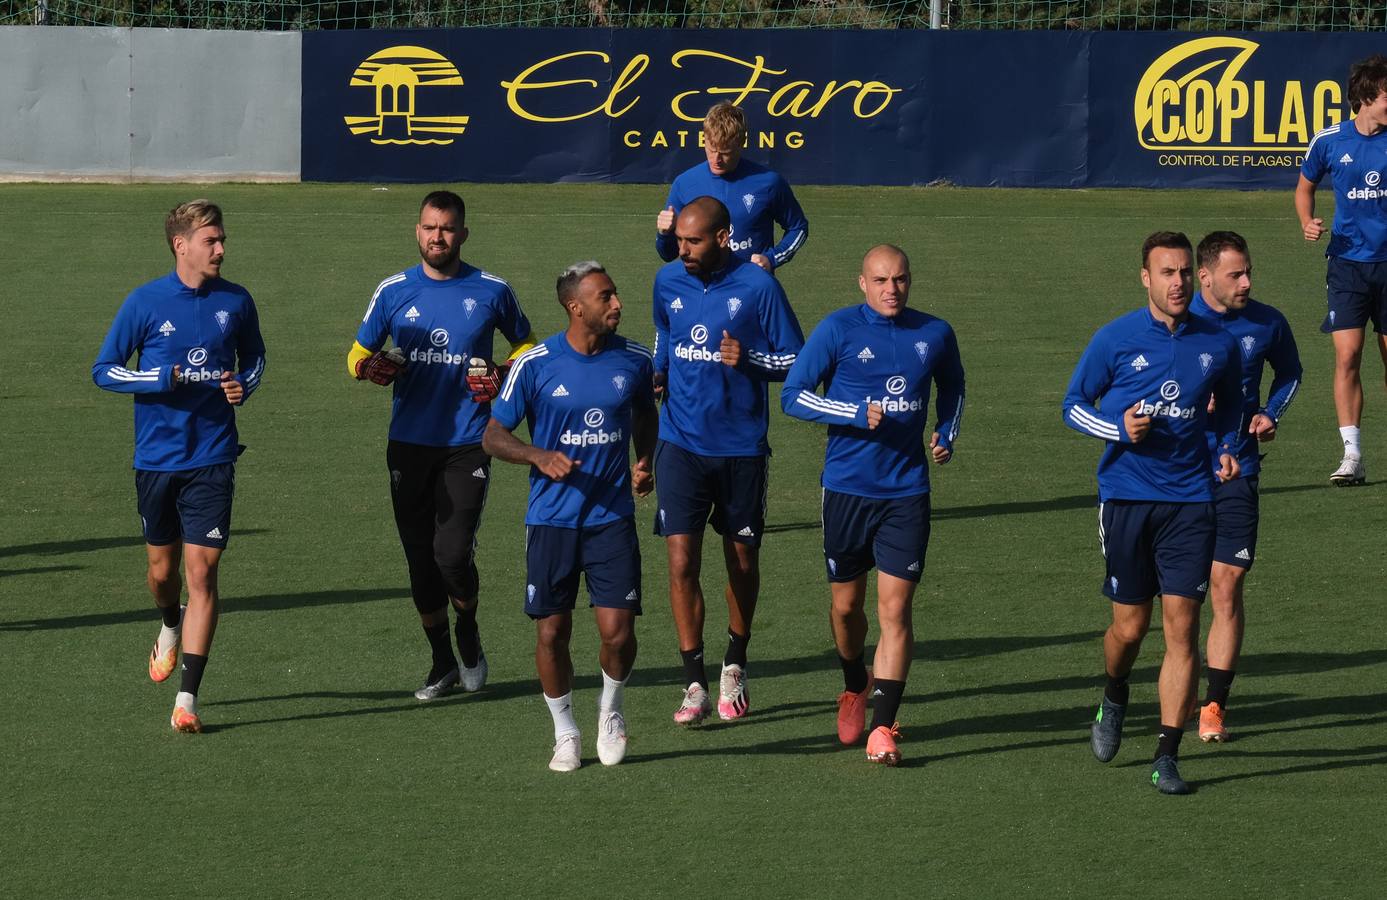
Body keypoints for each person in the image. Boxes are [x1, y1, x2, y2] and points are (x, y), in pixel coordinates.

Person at [1062, 231, 1244, 794]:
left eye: (1186, 272)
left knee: (1183, 628)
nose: (1178, 283)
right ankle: (1114, 692)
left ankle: (1167, 753)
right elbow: (1073, 405)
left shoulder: (1218, 342)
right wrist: (1118, 428)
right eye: (1167, 273)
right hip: (1126, 497)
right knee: (1129, 626)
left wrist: (1226, 449)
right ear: (1146, 277)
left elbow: (1234, 404)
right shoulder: (1114, 339)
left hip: (1190, 501)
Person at [781, 245, 964, 766]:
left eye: (901, 280)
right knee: (846, 608)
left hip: (906, 492)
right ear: (861, 283)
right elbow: (792, 395)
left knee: (896, 611)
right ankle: (854, 683)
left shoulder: (935, 333)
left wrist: (945, 430)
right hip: (845, 490)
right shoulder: (837, 330)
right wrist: (853, 412)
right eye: (881, 280)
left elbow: (953, 384)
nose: (892, 289)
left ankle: (882, 726)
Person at [348, 190, 533, 701]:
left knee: (451, 555)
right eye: (430, 227)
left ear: (463, 234)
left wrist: (499, 374)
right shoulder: (393, 291)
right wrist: (370, 368)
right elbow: (356, 354)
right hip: (408, 444)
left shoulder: (492, 289)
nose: (437, 237)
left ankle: (468, 633)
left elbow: (528, 351)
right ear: (417, 231)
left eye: (447, 228)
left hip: (468, 442)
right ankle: (441, 661)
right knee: (419, 561)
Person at [92, 199, 266, 733]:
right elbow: (104, 370)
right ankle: (169, 622)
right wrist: (157, 379)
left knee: (204, 574)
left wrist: (245, 386)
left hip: (212, 455)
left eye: (222, 239)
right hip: (157, 459)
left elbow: (255, 358)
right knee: (163, 573)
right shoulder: (144, 302)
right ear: (181, 244)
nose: (220, 249)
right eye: (211, 240)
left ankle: (187, 700)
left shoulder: (236, 301)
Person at [483, 261, 657, 772]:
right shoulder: (534, 364)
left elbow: (646, 412)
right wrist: (537, 455)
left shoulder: (635, 360)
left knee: (618, 632)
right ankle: (565, 731)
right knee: (551, 634)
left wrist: (644, 460)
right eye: (606, 297)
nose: (617, 304)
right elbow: (493, 434)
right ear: (574, 306)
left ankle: (611, 711)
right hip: (552, 521)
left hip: (611, 519)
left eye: (616, 293)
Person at [652, 196, 805, 725]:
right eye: (680, 241)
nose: (682, 250)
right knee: (680, 561)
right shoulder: (667, 281)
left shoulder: (759, 287)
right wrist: (657, 370)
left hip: (741, 449)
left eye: (693, 242)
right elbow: (664, 336)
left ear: (722, 238)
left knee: (740, 561)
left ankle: (735, 663)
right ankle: (693, 676)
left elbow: (797, 360)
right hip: (680, 444)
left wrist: (751, 360)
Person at [1189, 231, 1302, 743]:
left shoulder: (1267, 321)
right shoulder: (1177, 324)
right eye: (1236, 274)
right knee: (1178, 599)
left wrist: (1268, 413)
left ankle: (1213, 704)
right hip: (1179, 476)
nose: (1247, 282)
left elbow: (1291, 374)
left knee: (1226, 584)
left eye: (1249, 271)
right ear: (1205, 276)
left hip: (1240, 471)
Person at [1295, 54, 1387, 485]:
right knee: (1347, 356)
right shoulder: (1329, 140)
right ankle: (1352, 455)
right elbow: (1304, 187)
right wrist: (1306, 220)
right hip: (1347, 266)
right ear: (1367, 97)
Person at [655, 101, 808, 274]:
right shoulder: (684, 184)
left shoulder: (769, 183)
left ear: (741, 143)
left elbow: (798, 228)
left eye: (725, 153)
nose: (717, 159)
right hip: (704, 290)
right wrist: (664, 233)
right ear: (704, 139)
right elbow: (667, 254)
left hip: (751, 288)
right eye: (711, 150)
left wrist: (772, 258)